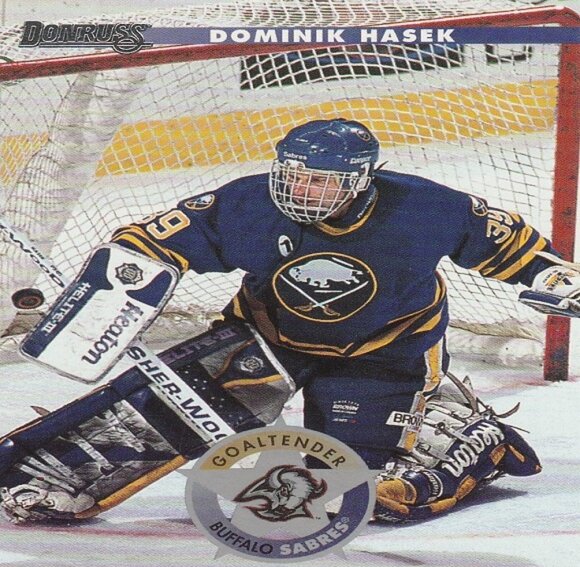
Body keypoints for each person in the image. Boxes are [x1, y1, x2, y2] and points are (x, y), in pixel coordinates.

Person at [1, 118, 578, 523]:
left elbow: (511, 245)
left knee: (350, 495)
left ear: (361, 179)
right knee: (156, 410)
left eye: (320, 181)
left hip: (384, 355)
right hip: (266, 338)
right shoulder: (249, 203)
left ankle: (472, 437)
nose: (301, 189)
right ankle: (48, 473)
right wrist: (126, 277)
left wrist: (554, 277)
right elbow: (156, 239)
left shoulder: (425, 206)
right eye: (294, 174)